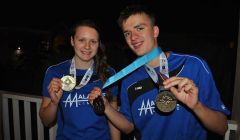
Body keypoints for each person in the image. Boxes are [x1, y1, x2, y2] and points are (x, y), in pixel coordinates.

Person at [88, 4, 230, 140]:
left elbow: (222, 127)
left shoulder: (192, 65)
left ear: (155, 31)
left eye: (140, 28)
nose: (133, 37)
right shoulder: (129, 79)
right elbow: (128, 127)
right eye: (127, 33)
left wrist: (196, 106)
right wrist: (106, 107)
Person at [39, 19, 120, 140]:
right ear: (72, 41)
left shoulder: (109, 73)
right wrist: (54, 103)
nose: (87, 46)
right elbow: (46, 122)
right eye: (81, 40)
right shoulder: (55, 72)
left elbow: (114, 120)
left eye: (93, 41)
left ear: (98, 44)